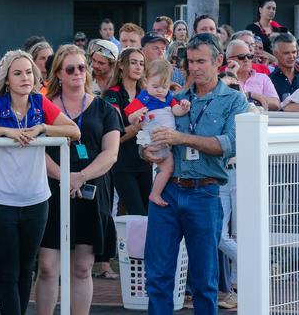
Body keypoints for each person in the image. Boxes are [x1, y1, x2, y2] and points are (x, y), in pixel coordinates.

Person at [0, 50, 80, 315]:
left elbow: (74, 130)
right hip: (1, 200)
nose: (25, 77)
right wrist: (1, 130)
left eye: (28, 72)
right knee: (8, 270)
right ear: (7, 79)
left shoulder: (40, 103)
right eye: (18, 73)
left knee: (27, 269)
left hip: (36, 199)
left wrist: (43, 128)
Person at [142, 33, 248, 313]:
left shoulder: (234, 100)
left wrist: (181, 138)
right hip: (168, 191)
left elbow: (229, 144)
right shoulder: (175, 98)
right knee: (158, 277)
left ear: (219, 62)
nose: (195, 67)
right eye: (190, 62)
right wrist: (147, 151)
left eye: (201, 61)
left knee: (205, 281)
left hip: (206, 191)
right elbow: (149, 133)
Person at [35, 44, 122, 315]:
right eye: (70, 68)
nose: (77, 73)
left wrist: (80, 177)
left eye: (82, 67)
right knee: (48, 265)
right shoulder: (42, 107)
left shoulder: (104, 109)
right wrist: (63, 177)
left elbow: (111, 153)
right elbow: (36, 149)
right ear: (58, 73)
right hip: (51, 187)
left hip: (91, 189)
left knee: (82, 266)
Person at [124, 59, 191, 206]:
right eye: (155, 86)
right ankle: (155, 194)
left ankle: (156, 192)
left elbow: (176, 111)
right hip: (155, 137)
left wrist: (184, 107)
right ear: (146, 81)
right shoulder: (145, 97)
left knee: (165, 167)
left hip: (168, 138)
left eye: (164, 86)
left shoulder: (168, 97)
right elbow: (129, 115)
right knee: (168, 167)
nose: (160, 90)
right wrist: (135, 116)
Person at [102, 48, 153, 215]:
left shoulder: (145, 94)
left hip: (146, 163)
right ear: (122, 66)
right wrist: (138, 125)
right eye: (133, 62)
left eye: (141, 63)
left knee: (149, 214)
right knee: (137, 214)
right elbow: (117, 136)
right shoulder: (112, 95)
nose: (138, 67)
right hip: (122, 165)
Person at [225, 39, 280, 110]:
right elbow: (231, 102)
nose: (246, 60)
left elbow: (276, 104)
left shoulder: (263, 78)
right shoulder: (223, 80)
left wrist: (254, 96)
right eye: (241, 57)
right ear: (229, 60)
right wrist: (250, 95)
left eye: (249, 56)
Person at [269, 33, 299, 101]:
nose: (291, 56)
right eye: (286, 53)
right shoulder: (269, 82)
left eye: (294, 52)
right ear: (275, 54)